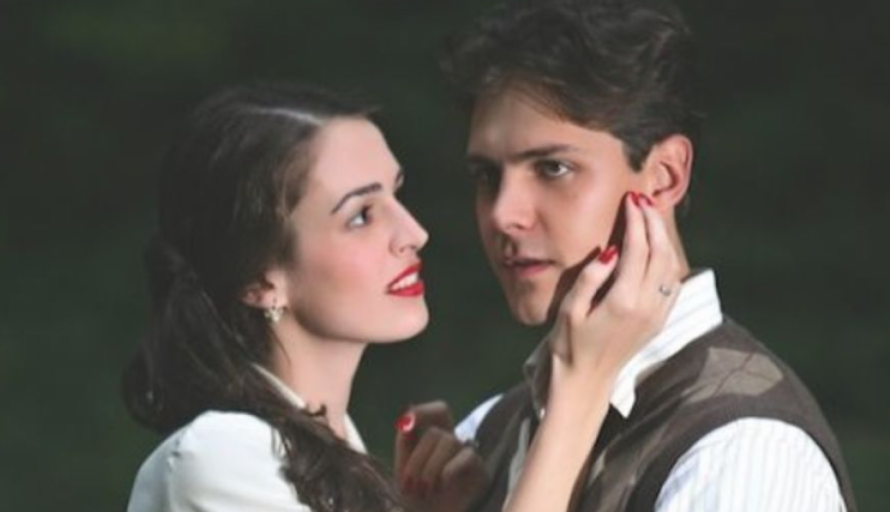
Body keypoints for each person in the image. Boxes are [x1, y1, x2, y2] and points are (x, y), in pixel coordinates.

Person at [122, 81, 682, 512]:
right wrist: (580, 387)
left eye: (397, 195)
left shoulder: (330, 453)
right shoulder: (219, 459)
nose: (413, 233)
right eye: (361, 216)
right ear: (260, 281)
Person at [396, 0, 859, 511]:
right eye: (487, 176)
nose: (504, 214)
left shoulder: (743, 450)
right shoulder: (488, 432)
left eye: (552, 168)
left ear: (665, 176)